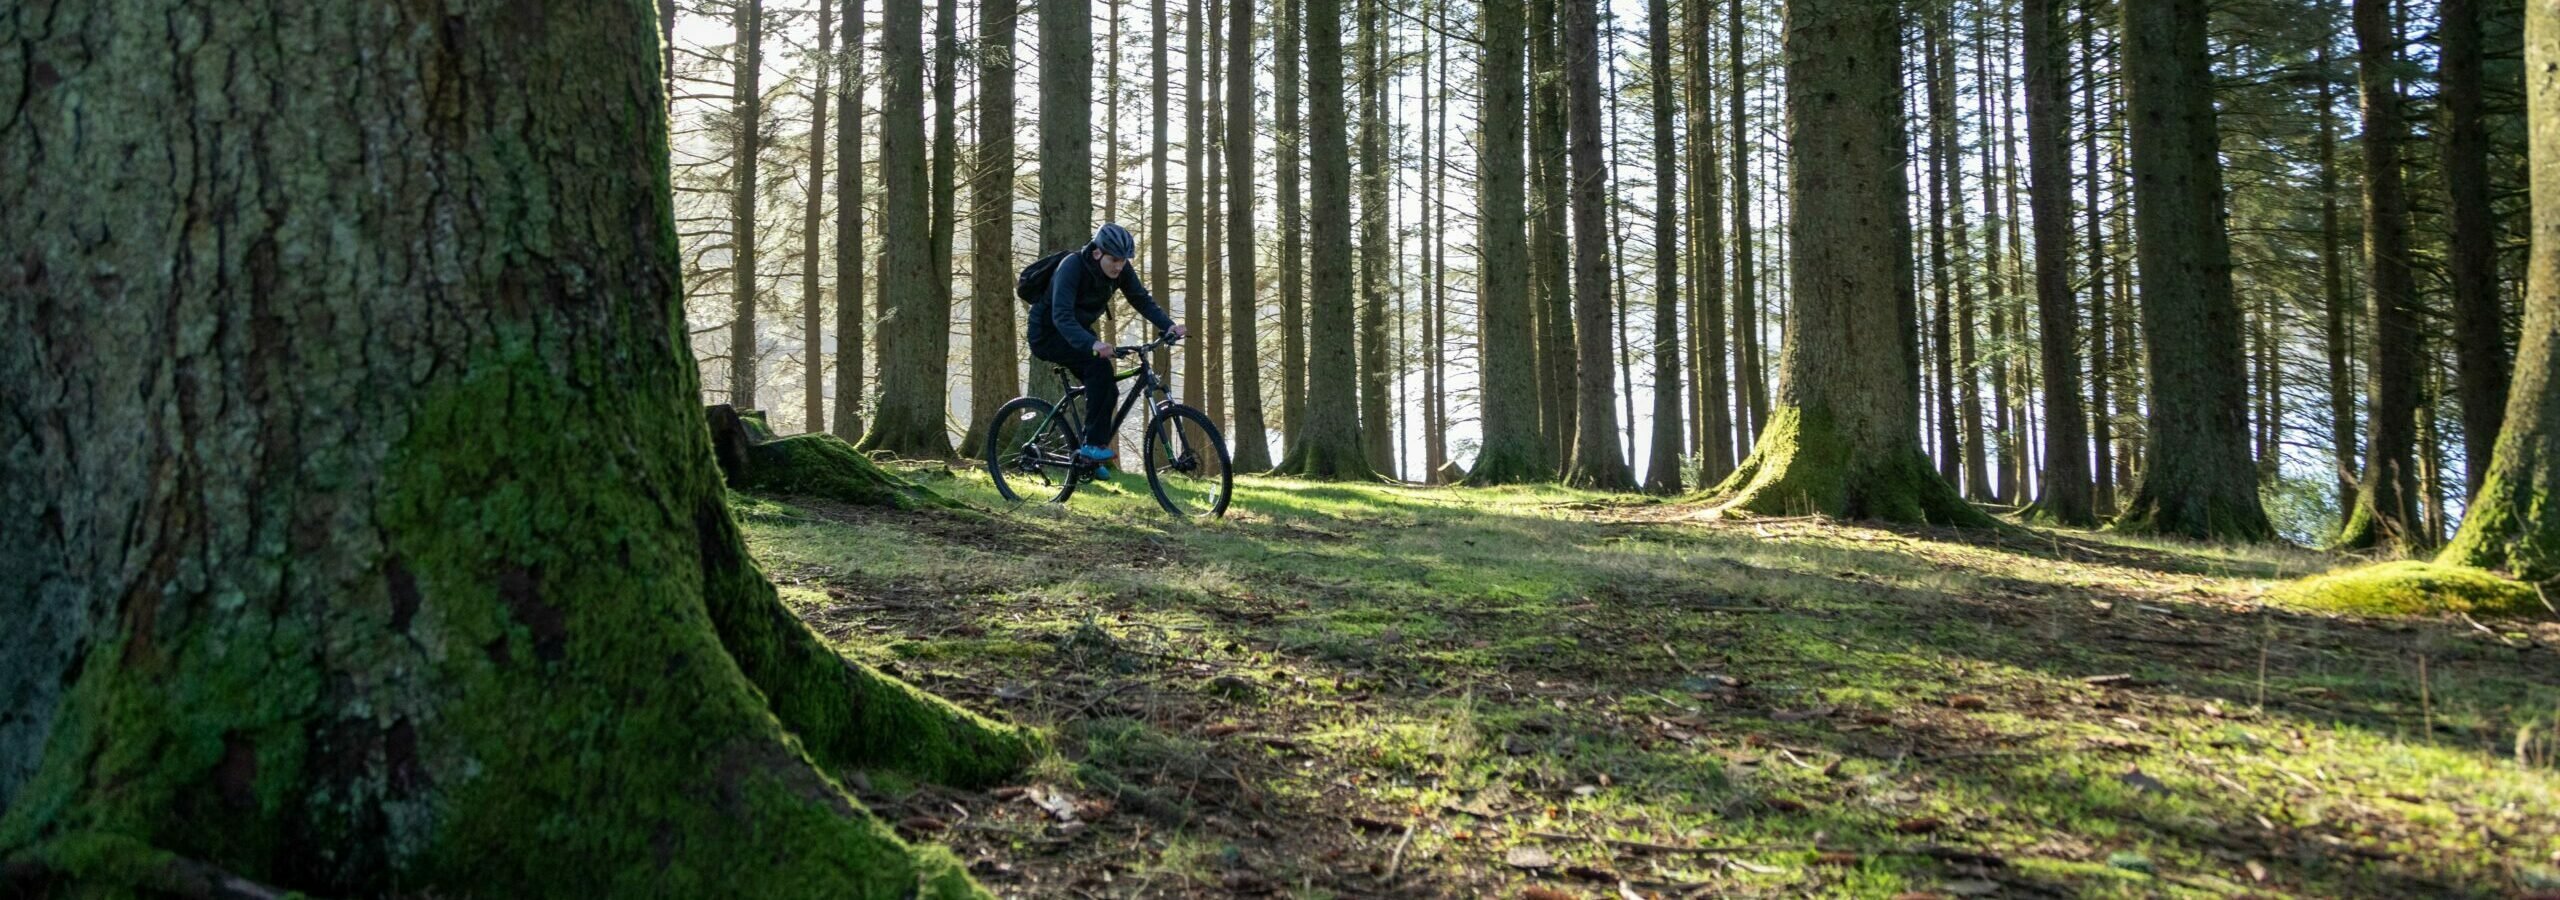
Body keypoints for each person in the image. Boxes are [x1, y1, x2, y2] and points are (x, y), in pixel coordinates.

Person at [1026, 223, 1186, 478]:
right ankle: (1091, 448)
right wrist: (1093, 345)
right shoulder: (1072, 266)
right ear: (1098, 253)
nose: (1119, 266)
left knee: (1106, 385)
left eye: (1123, 260)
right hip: (1047, 333)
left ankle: (1091, 452)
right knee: (1099, 370)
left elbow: (1140, 298)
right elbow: (1061, 316)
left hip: (1077, 331)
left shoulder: (1120, 270)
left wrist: (1168, 326)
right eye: (1114, 259)